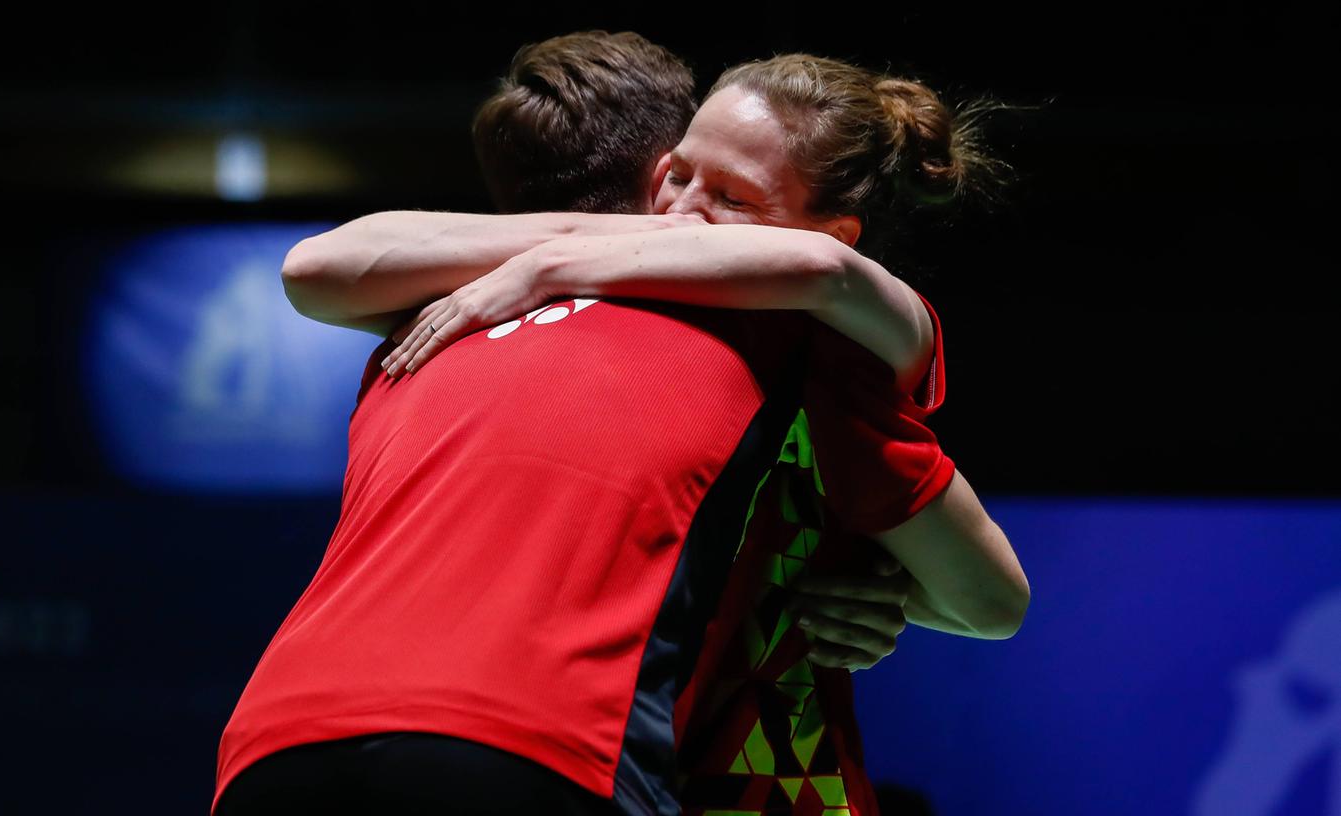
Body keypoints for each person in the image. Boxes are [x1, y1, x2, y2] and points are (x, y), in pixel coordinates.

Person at [215, 32, 1027, 816]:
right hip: (554, 748)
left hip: (281, 744)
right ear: (651, 169)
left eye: (732, 200)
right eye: (677, 176)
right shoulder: (766, 332)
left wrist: (879, 589)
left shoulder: (434, 323)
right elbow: (988, 602)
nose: (679, 214)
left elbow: (988, 598)